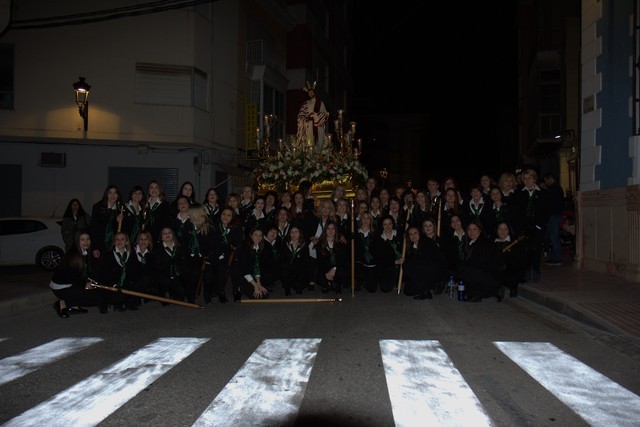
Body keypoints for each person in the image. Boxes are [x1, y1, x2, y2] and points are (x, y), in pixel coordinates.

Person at [50, 230, 102, 318]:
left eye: (88, 239)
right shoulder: (74, 256)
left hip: (70, 284)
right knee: (96, 299)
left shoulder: (83, 252)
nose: (86, 242)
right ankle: (62, 303)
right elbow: (70, 278)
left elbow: (82, 273)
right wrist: (85, 285)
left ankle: (74, 306)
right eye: (82, 240)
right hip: (62, 287)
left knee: (96, 294)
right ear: (77, 241)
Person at [456, 219, 503, 302]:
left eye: (474, 229)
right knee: (462, 269)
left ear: (480, 231)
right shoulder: (474, 242)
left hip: (490, 276)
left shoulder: (483, 243)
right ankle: (482, 292)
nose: (471, 232)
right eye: (469, 229)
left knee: (463, 269)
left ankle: (481, 292)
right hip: (484, 273)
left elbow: (478, 264)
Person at [513, 169, 548, 282]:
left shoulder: (542, 193)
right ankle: (527, 270)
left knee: (536, 249)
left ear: (534, 178)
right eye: (525, 178)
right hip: (524, 227)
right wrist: (520, 227)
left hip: (537, 226)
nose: (527, 180)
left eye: (529, 178)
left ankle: (536, 269)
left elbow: (546, 211)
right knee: (525, 249)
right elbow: (516, 212)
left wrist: (540, 225)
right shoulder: (519, 193)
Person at [399, 226, 449, 300]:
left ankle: (433, 285)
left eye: (415, 233)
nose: (413, 236)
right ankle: (429, 287)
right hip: (423, 272)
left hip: (435, 270)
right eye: (410, 234)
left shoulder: (426, 242)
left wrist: (406, 261)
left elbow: (425, 261)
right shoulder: (412, 246)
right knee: (408, 291)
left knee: (407, 264)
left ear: (420, 233)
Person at [211, 207, 244, 302]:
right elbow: (214, 243)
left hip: (233, 253)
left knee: (235, 271)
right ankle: (221, 291)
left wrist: (235, 256)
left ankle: (235, 290)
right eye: (223, 214)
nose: (225, 217)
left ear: (232, 217)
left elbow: (238, 243)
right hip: (220, 253)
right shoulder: (215, 227)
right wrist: (220, 255)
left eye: (229, 215)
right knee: (221, 271)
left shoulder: (236, 227)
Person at [89, 184, 124, 260]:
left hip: (115, 245)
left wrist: (117, 221)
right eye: (110, 193)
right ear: (106, 194)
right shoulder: (98, 207)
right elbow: (93, 228)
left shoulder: (120, 209)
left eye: (115, 193)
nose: (113, 195)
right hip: (100, 244)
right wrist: (94, 248)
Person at [234, 228, 271, 299]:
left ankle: (249, 287)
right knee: (258, 296)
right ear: (251, 236)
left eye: (260, 235)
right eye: (256, 235)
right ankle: (239, 288)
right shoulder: (245, 248)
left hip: (252, 274)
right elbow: (244, 270)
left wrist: (259, 284)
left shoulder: (259, 248)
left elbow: (257, 267)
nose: (258, 237)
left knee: (265, 294)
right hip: (243, 275)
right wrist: (256, 286)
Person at [315, 222, 348, 294]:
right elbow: (320, 262)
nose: (330, 231)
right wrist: (328, 273)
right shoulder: (319, 244)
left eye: (333, 229)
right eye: (328, 229)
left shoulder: (341, 243)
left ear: (336, 231)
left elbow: (342, 261)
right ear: (325, 230)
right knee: (319, 277)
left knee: (343, 272)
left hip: (337, 268)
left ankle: (336, 284)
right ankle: (327, 284)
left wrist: (334, 269)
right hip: (326, 270)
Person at [280, 225, 309, 295]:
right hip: (288, 269)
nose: (294, 234)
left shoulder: (304, 245)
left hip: (299, 270)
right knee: (284, 270)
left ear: (300, 234)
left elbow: (305, 261)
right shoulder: (285, 244)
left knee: (299, 288)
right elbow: (282, 258)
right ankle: (287, 288)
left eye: (296, 232)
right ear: (289, 234)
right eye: (292, 232)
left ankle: (297, 284)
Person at [543, 172, 564, 266]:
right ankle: (556, 256)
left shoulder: (553, 189)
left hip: (553, 216)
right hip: (556, 215)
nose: (546, 182)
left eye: (546, 180)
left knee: (554, 237)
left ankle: (557, 258)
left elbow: (550, 204)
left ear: (550, 178)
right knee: (553, 236)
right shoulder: (557, 188)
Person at [143, 180, 171, 244]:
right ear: (148, 190)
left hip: (160, 237)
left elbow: (166, 223)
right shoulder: (144, 205)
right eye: (151, 187)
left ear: (160, 190)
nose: (154, 190)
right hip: (146, 238)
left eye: (156, 187)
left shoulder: (165, 205)